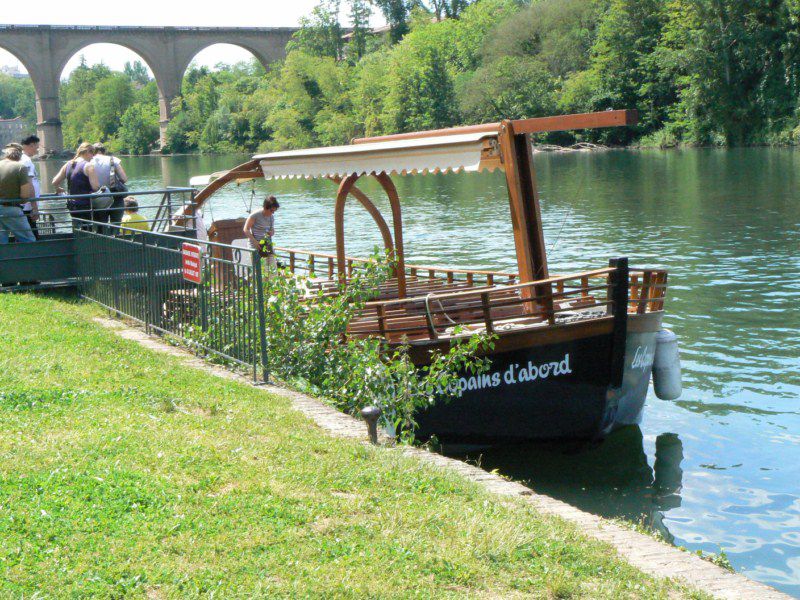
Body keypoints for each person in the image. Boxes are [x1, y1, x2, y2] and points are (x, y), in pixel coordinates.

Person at [51, 142, 100, 224]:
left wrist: (58, 188)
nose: (93, 156)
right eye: (93, 153)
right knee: (88, 230)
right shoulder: (88, 166)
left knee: (77, 227)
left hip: (72, 204)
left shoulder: (68, 164)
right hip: (85, 205)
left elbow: (54, 181)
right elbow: (95, 187)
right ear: (88, 152)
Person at [0, 144, 35, 244]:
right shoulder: (21, 167)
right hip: (11, 210)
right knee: (28, 240)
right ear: (20, 155)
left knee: (1, 244)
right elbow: (25, 196)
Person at [92, 143, 128, 225]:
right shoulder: (113, 159)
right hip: (115, 196)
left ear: (93, 151)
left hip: (98, 198)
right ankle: (115, 236)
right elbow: (124, 179)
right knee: (116, 224)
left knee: (100, 225)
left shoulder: (89, 161)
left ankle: (102, 237)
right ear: (104, 151)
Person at [243, 196, 279, 265]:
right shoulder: (255, 215)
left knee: (273, 269)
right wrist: (255, 242)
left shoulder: (271, 217)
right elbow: (246, 229)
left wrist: (272, 232)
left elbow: (272, 230)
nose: (272, 213)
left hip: (267, 246)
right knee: (260, 270)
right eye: (271, 211)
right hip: (255, 246)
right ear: (265, 207)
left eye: (274, 211)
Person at [19, 135, 40, 239]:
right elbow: (29, 184)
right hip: (27, 207)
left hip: (25, 205)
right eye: (36, 148)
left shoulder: (20, 158)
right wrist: (35, 207)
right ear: (31, 145)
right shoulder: (26, 161)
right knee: (32, 235)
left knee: (26, 234)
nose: (37, 151)